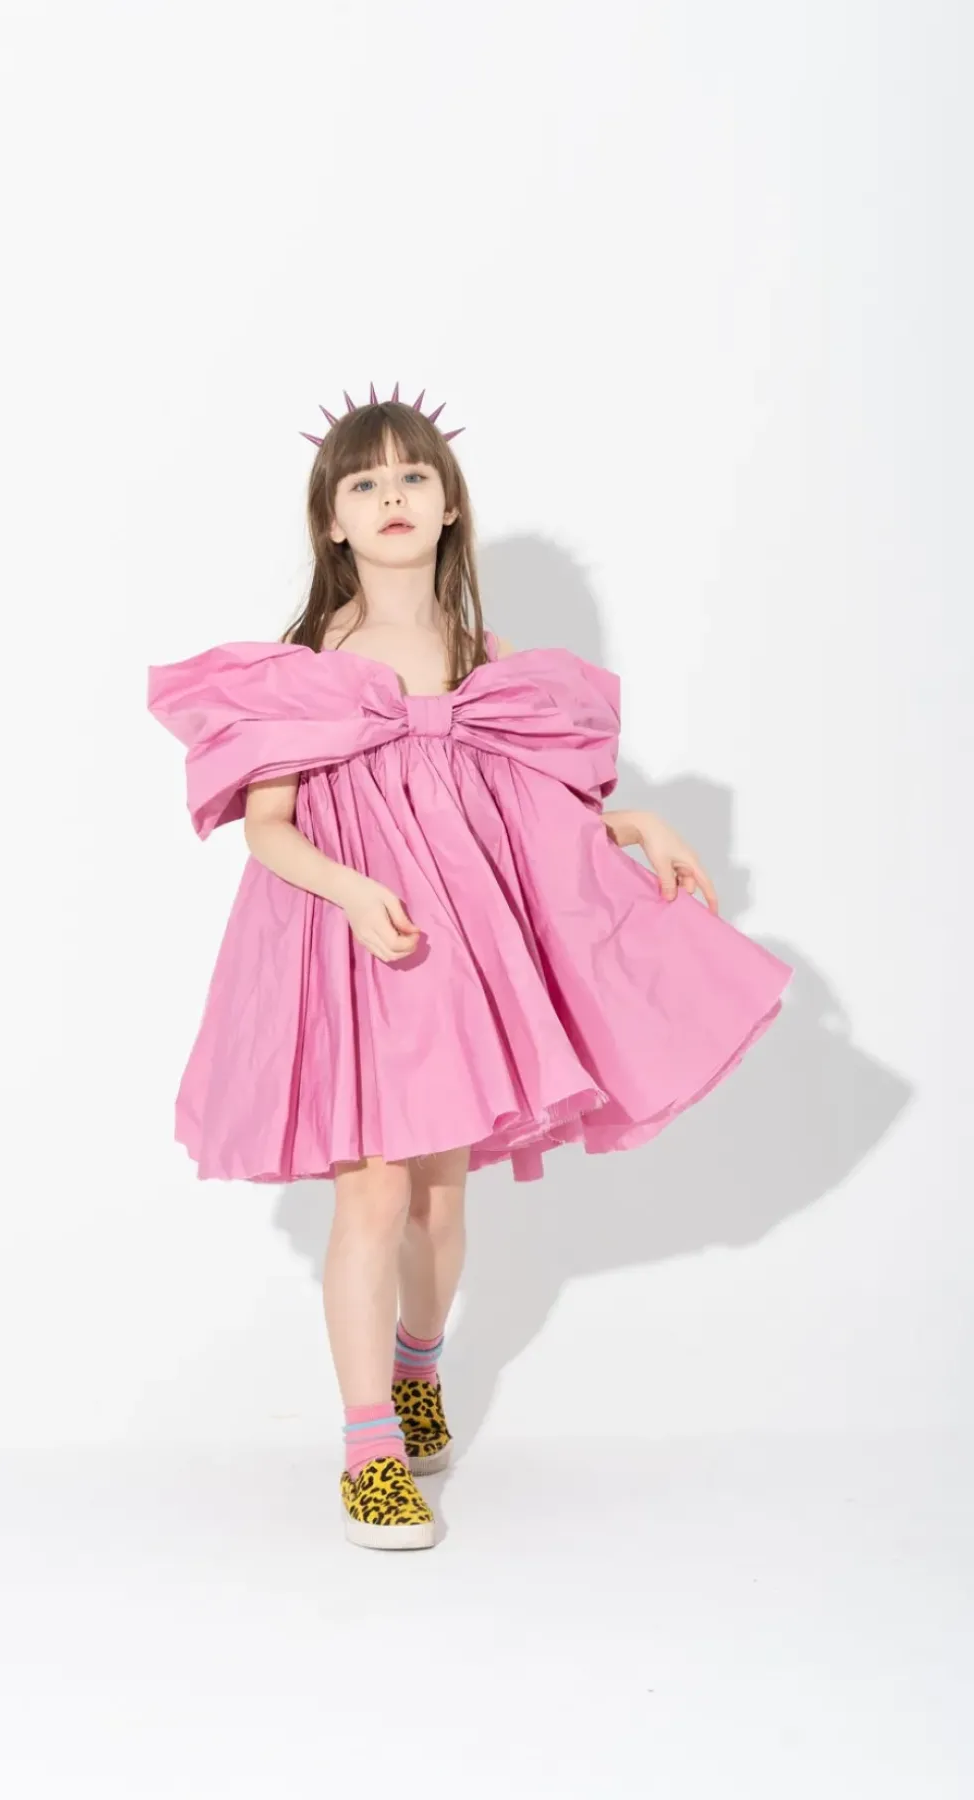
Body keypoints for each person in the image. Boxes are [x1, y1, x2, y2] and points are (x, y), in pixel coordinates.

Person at [147, 384, 794, 1552]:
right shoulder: (303, 664)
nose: (391, 495)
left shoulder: (478, 656)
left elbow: (523, 811)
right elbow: (268, 830)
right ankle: (367, 1452)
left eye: (413, 476)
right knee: (370, 1191)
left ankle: (418, 1368)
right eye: (364, 481)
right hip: (355, 949)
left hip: (456, 954)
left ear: (449, 505)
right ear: (332, 520)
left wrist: (629, 822)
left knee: (439, 1197)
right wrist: (353, 891)